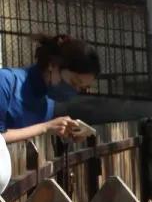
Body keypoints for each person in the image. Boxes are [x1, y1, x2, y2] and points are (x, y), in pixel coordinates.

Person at [0, 35, 101, 191]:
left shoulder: (48, 101)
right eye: (74, 82)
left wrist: (63, 133)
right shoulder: (6, 82)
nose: (74, 91)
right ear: (52, 65)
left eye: (81, 88)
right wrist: (46, 127)